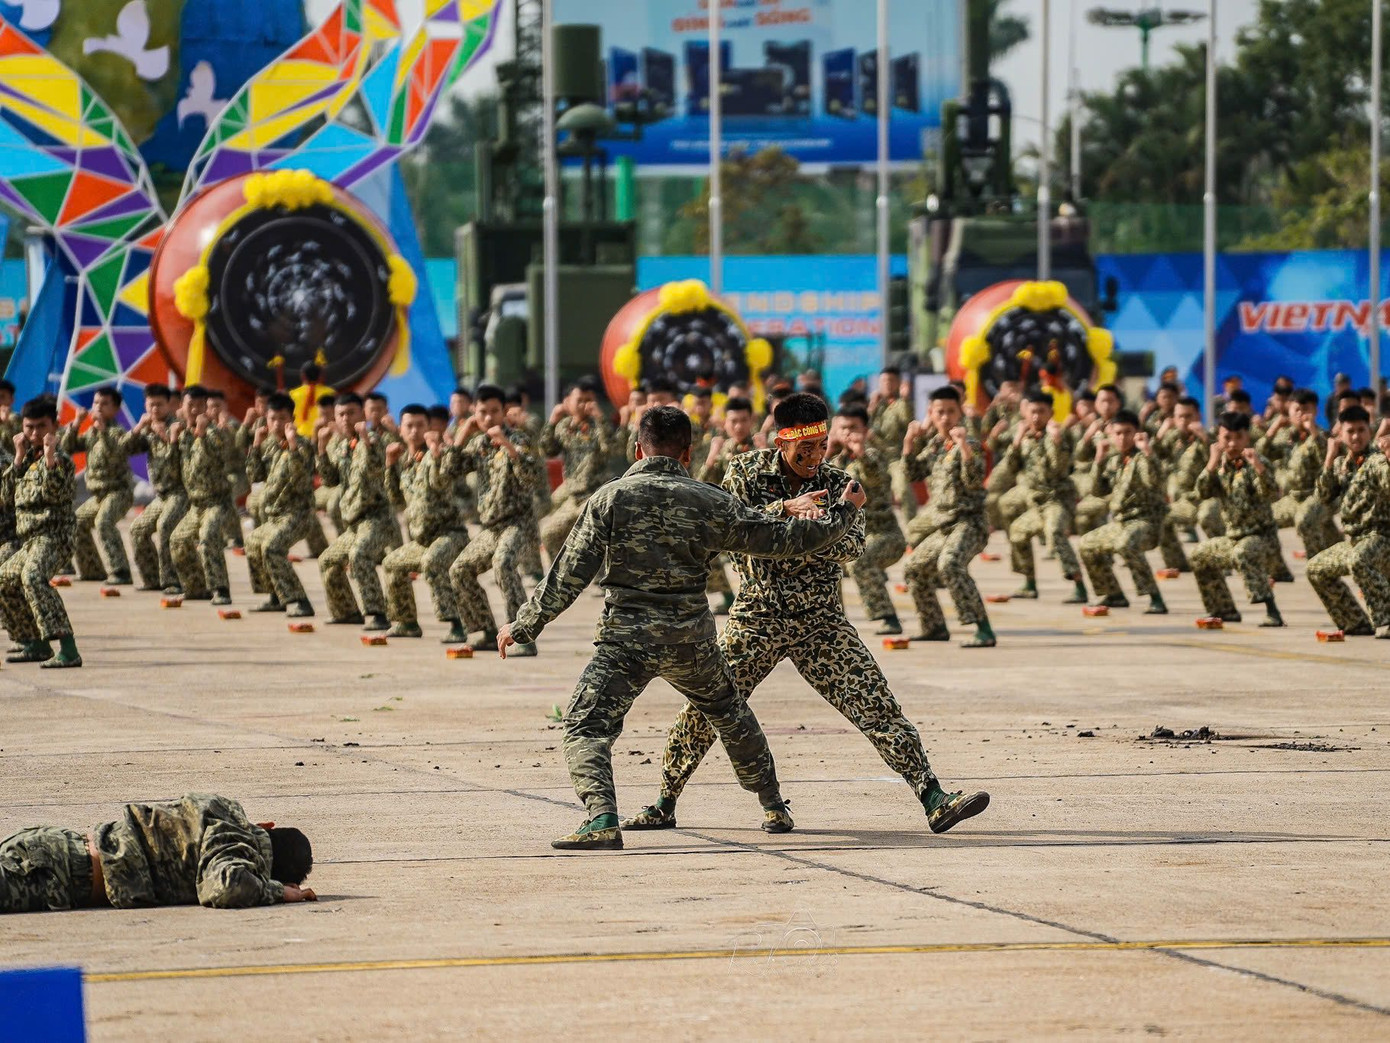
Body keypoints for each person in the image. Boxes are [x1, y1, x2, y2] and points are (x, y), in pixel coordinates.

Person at [498, 405, 866, 850]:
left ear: (637, 448)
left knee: (586, 725)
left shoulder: (610, 498)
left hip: (625, 641)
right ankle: (772, 804)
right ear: (688, 453)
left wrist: (523, 626)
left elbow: (568, 574)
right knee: (729, 714)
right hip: (690, 640)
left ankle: (601, 819)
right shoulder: (708, 500)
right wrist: (844, 511)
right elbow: (786, 540)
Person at [626, 394, 990, 836]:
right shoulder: (744, 471)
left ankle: (934, 797)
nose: (816, 457)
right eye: (806, 448)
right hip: (756, 615)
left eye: (822, 446)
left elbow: (852, 548)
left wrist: (832, 515)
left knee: (874, 703)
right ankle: (664, 801)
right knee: (705, 707)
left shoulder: (841, 486)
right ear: (782, 441)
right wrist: (788, 511)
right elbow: (733, 528)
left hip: (820, 620)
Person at [0, 793, 315, 913]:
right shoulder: (238, 852)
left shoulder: (224, 811)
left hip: (52, 846)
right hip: (57, 873)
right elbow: (227, 886)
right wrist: (276, 892)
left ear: (268, 826)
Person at [448, 384, 544, 652]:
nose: (488, 418)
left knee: (503, 564)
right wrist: (462, 435)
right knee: (460, 570)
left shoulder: (520, 439)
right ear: (474, 413)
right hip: (492, 527)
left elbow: (531, 478)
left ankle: (523, 637)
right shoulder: (478, 444)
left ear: (504, 412)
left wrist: (508, 446)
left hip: (519, 524)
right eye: (482, 412)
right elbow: (450, 471)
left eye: (494, 411)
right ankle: (485, 630)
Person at [901, 385, 996, 647]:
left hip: (970, 523)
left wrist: (964, 445)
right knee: (914, 568)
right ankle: (934, 627)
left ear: (959, 414)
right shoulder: (934, 446)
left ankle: (982, 628)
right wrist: (909, 442)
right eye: (939, 412)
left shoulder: (971, 444)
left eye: (950, 412)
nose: (945, 418)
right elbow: (912, 474)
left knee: (950, 563)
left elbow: (975, 480)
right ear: (930, 413)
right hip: (944, 525)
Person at [0, 397, 81, 668]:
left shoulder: (61, 461)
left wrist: (48, 458)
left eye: (41, 427)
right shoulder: (23, 462)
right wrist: (20, 458)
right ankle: (35, 642)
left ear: (55, 426)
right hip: (30, 541)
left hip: (55, 537)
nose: (35, 434)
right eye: (29, 427)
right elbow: (5, 497)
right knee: (4, 578)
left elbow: (55, 492)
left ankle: (68, 648)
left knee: (33, 576)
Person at [381, 405, 470, 641]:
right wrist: (390, 465)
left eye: (420, 425)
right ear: (400, 430)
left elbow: (441, 483)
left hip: (450, 534)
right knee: (391, 563)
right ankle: (407, 622)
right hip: (423, 539)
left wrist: (437, 452)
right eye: (409, 426)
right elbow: (397, 501)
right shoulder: (404, 461)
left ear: (428, 428)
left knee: (433, 562)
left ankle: (456, 624)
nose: (414, 431)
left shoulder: (435, 455)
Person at [1190, 412, 1285, 627]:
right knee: (1199, 555)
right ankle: (1223, 609)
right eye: (1226, 438)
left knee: (1244, 551)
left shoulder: (1257, 463)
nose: (1232, 444)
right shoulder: (1220, 466)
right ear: (1219, 439)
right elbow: (1201, 493)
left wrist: (1258, 467)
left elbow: (1271, 495)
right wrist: (1212, 463)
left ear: (1247, 438)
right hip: (1233, 536)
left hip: (1262, 537)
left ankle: (1273, 611)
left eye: (1238, 438)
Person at [1307, 405, 1390, 637]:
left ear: (1370, 430)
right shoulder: (1341, 464)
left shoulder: (1377, 460)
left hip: (1381, 539)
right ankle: (1354, 621)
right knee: (1316, 569)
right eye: (1350, 431)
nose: (1356, 436)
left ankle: (1386, 620)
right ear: (1341, 434)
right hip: (1355, 540)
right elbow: (1323, 497)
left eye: (1361, 430)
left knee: (1359, 560)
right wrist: (1329, 458)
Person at [316, 392, 395, 629]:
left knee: (359, 555)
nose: (346, 419)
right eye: (341, 414)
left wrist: (366, 440)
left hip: (376, 519)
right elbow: (330, 480)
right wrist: (321, 448)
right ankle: (347, 612)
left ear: (363, 414)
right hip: (353, 524)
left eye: (351, 413)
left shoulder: (375, 439)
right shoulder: (341, 445)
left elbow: (374, 469)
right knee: (327, 560)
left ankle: (377, 614)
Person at [1078, 409, 1168, 614]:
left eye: (1127, 432)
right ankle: (1113, 594)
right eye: (1117, 433)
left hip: (1146, 522)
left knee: (1126, 544)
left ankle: (1155, 598)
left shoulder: (1143, 457)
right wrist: (1099, 460)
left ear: (1137, 433)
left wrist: (1147, 452)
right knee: (1086, 544)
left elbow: (1154, 482)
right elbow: (1097, 491)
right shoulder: (1114, 460)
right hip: (1121, 523)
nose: (1122, 437)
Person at [829, 404, 906, 635]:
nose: (848, 433)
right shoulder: (835, 461)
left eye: (854, 428)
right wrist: (827, 451)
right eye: (843, 428)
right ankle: (833, 621)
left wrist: (860, 451)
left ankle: (888, 617)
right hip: (851, 537)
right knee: (826, 563)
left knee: (860, 561)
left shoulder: (874, 455)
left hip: (884, 535)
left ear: (866, 430)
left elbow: (875, 479)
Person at [1004, 390, 1088, 603]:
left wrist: (1056, 440)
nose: (1036, 417)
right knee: (1017, 532)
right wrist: (1016, 441)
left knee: (1055, 531)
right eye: (1032, 411)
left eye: (1041, 412)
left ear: (1050, 412)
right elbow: (1011, 468)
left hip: (1057, 500)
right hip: (1036, 502)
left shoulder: (1060, 435)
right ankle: (1030, 584)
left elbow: (1058, 470)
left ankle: (1079, 586)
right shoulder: (1024, 437)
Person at [244, 394, 316, 617]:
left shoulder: (302, 446)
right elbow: (255, 475)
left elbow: (302, 480)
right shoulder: (268, 445)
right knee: (253, 542)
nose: (276, 424)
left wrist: (292, 445)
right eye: (272, 418)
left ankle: (300, 601)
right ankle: (276, 595)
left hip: (297, 514)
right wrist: (255, 445)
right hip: (275, 516)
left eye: (282, 418)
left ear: (291, 419)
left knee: (272, 548)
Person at [169, 386, 236, 605]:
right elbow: (171, 472)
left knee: (208, 537)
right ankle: (196, 588)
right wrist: (171, 442)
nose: (196, 410)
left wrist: (204, 434)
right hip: (195, 505)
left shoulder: (217, 432)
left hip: (217, 502)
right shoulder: (181, 434)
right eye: (191, 405)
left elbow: (224, 451)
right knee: (178, 539)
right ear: (182, 408)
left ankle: (221, 589)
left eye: (201, 406)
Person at [62, 388, 135, 584]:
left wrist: (103, 432)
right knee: (76, 523)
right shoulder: (92, 432)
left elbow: (115, 454)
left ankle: (120, 571)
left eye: (104, 404)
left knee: (103, 522)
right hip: (98, 494)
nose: (98, 407)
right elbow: (68, 447)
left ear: (116, 409)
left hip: (118, 491)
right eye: (96, 403)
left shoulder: (117, 432)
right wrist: (76, 423)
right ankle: (91, 569)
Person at [539, 377, 612, 561]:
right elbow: (547, 450)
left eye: (589, 400)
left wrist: (601, 418)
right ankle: (562, 574)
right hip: (573, 497)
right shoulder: (565, 426)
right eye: (580, 400)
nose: (585, 405)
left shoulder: (598, 426)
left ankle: (599, 580)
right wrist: (552, 422)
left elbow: (609, 448)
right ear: (567, 403)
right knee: (549, 534)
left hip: (596, 495)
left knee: (591, 536)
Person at [124, 384, 188, 593]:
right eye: (151, 405)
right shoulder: (147, 428)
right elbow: (122, 451)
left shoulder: (179, 426)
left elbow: (182, 461)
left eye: (159, 405)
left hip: (180, 493)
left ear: (169, 405)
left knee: (165, 527)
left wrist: (165, 438)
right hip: (160, 496)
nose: (155, 410)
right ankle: (151, 579)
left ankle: (171, 581)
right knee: (137, 530)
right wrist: (137, 428)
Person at [699, 395, 760, 613]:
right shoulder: (722, 449)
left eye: (743, 420)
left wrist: (763, 453)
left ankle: (757, 601)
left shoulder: (763, 447)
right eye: (733, 421)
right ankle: (727, 597)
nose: (738, 426)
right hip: (727, 517)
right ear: (725, 422)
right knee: (705, 548)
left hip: (756, 517)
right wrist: (711, 457)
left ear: (751, 420)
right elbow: (702, 483)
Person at [1263, 389, 1340, 559]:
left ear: (1315, 411)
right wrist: (1273, 428)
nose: (1300, 414)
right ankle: (1277, 569)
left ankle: (1318, 562)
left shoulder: (1324, 435)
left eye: (1306, 410)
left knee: (1305, 521)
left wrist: (1313, 431)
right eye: (1296, 410)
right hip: (1294, 498)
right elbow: (1263, 453)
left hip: (1320, 497)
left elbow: (1326, 459)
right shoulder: (1289, 436)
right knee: (1261, 520)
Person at [869, 366, 917, 523]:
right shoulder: (877, 405)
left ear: (898, 383)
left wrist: (904, 399)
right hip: (875, 458)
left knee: (902, 489)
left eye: (890, 381)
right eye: (883, 381)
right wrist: (871, 408)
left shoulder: (902, 404)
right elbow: (864, 427)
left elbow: (907, 420)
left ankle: (912, 530)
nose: (887, 384)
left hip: (894, 458)